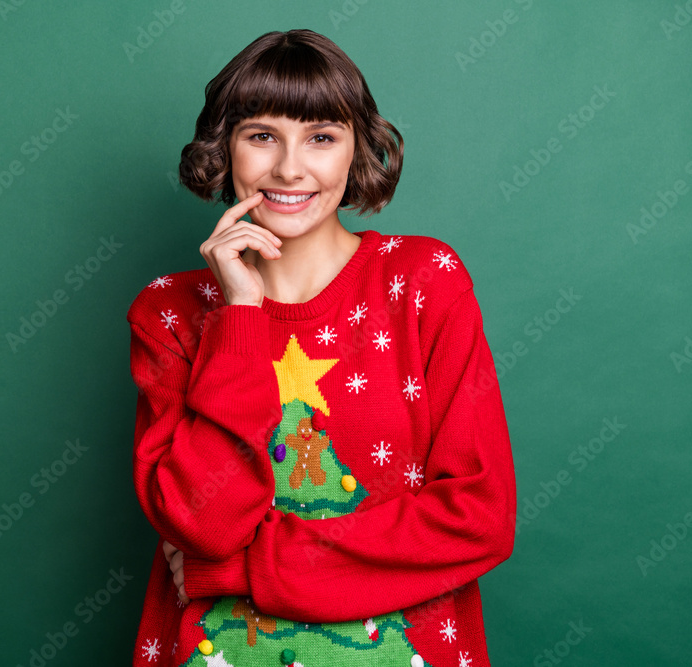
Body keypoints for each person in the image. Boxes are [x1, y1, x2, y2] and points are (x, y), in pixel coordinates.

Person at [127, 29, 516, 667]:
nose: (288, 168)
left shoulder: (424, 282)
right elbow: (204, 523)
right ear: (223, 149)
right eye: (261, 135)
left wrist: (245, 567)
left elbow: (480, 514)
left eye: (321, 137)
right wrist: (242, 315)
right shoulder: (168, 313)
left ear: (356, 149)